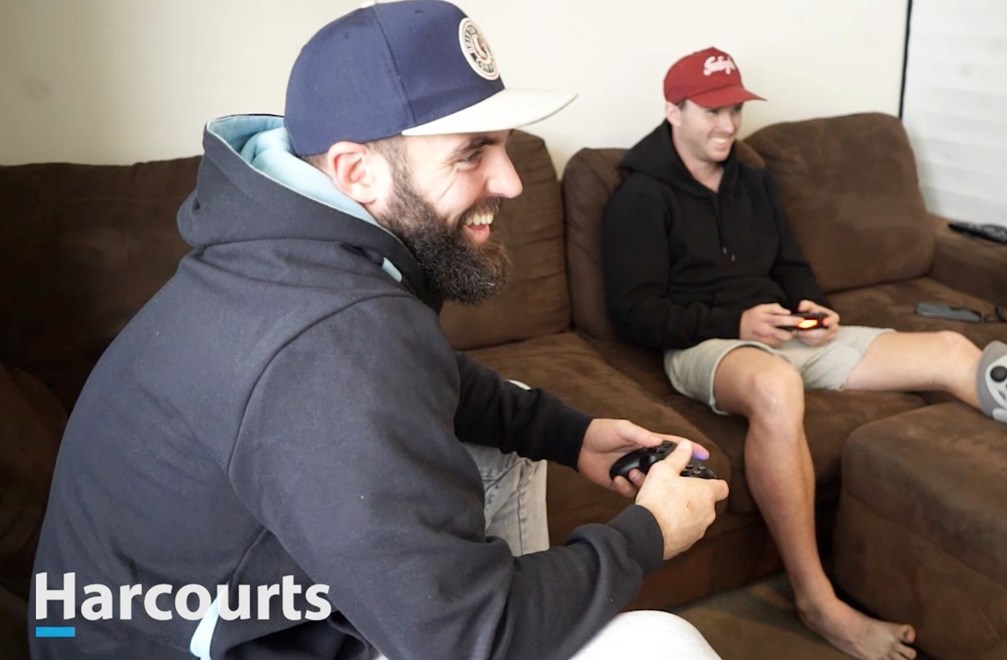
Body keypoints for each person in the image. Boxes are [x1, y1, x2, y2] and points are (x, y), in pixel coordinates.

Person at [30, 4, 729, 659]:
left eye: (504, 146)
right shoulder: (327, 342)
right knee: (660, 645)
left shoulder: (290, 252)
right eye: (472, 153)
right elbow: (465, 634)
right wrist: (647, 534)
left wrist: (572, 436)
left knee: (504, 434)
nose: (511, 182)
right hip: (177, 643)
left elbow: (416, 373)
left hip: (192, 604)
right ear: (355, 171)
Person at [601, 46, 1007, 660]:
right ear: (674, 110)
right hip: (705, 343)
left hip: (784, 331)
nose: (728, 125)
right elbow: (634, 312)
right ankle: (818, 602)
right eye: (712, 112)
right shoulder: (641, 195)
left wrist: (813, 306)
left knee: (951, 349)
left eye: (735, 110)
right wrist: (734, 321)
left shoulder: (753, 177)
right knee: (776, 388)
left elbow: (790, 263)